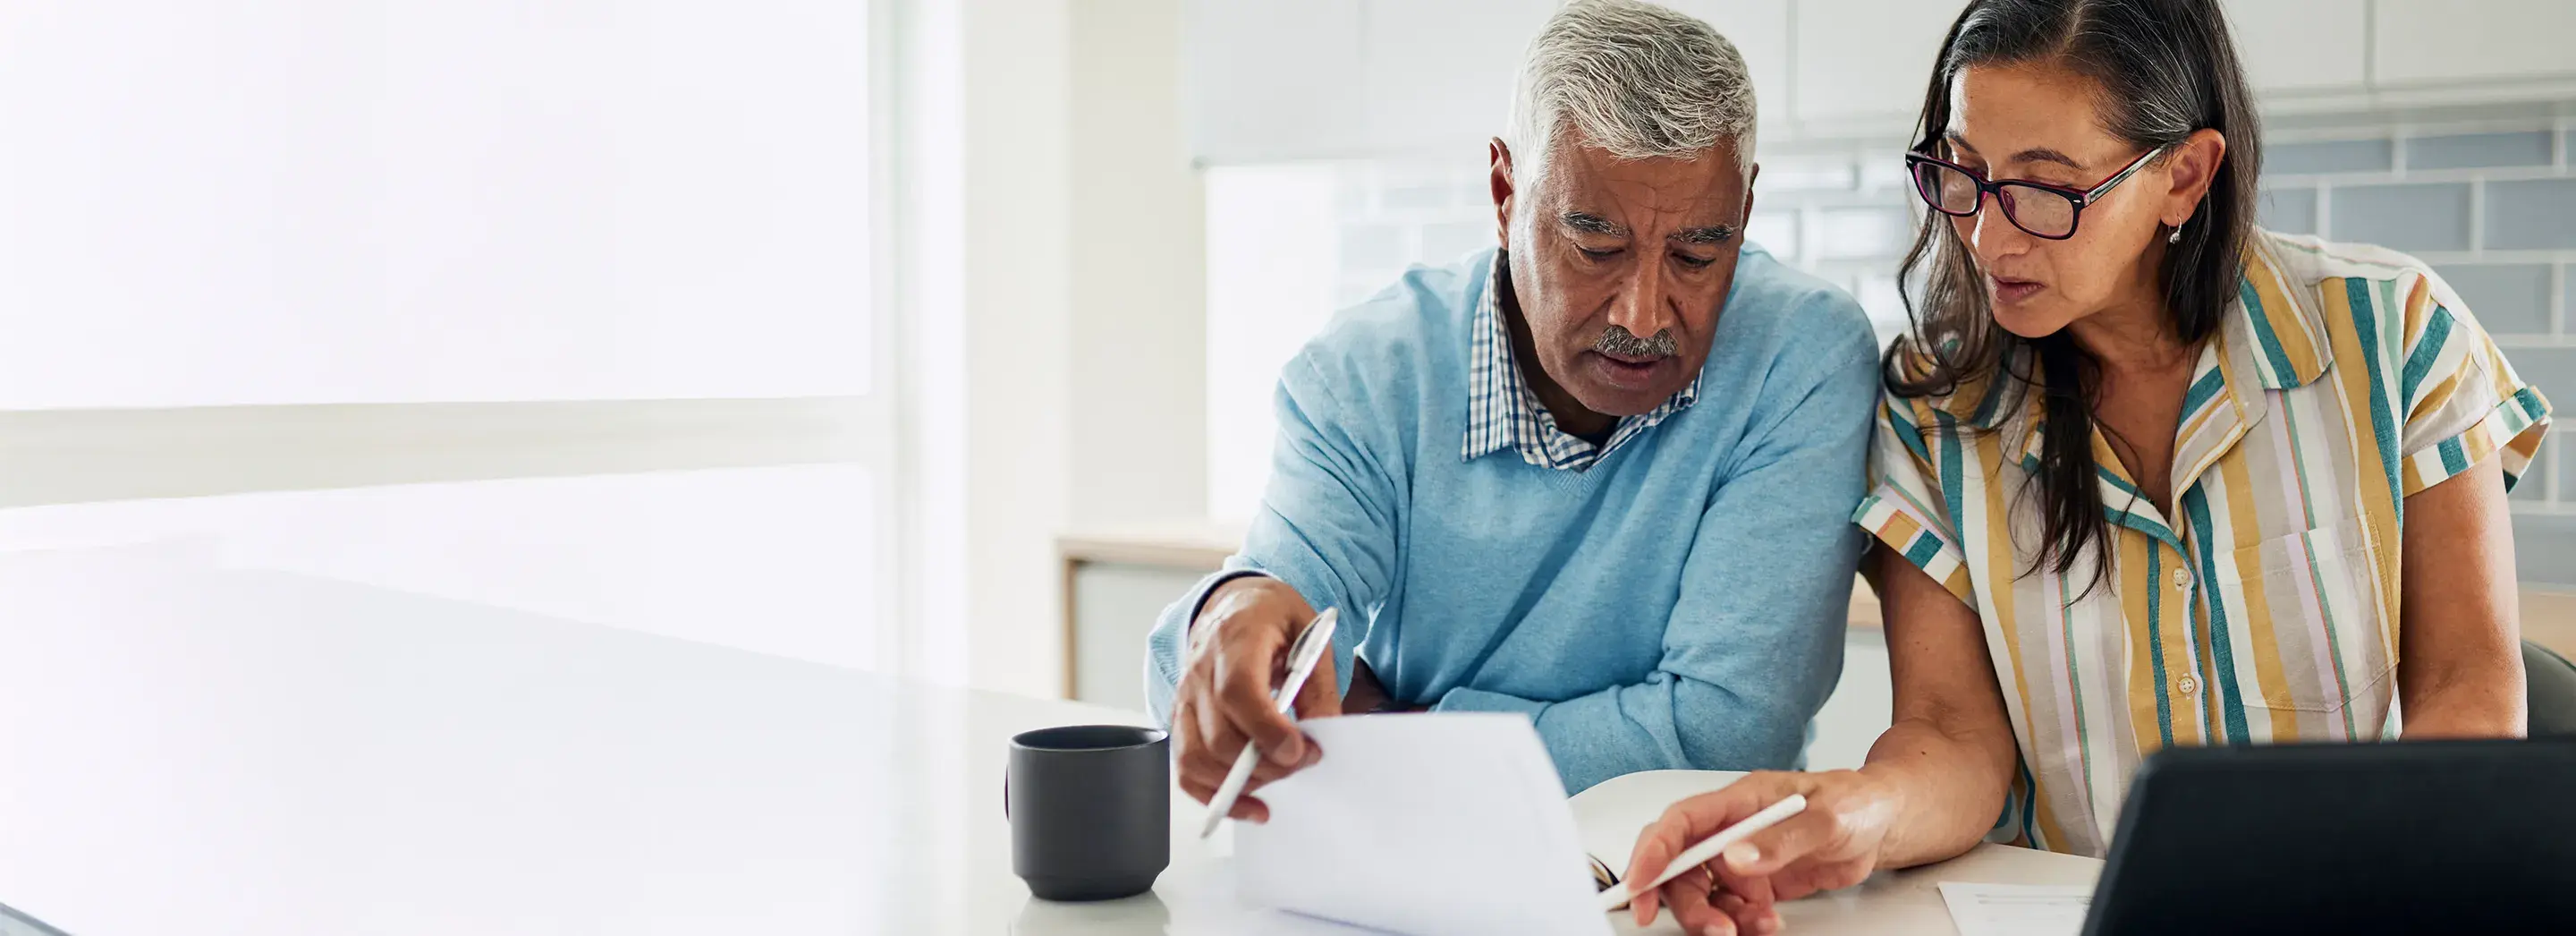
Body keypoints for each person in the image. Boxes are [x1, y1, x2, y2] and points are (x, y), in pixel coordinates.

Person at [1623, 0, 2552, 932]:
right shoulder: (1933, 405)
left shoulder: (2393, 335)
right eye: (1964, 173)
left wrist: (2400, 879)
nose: (1989, 236)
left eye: (2045, 189)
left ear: (2184, 178)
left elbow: (2467, 688)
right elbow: (1952, 737)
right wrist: (1845, 811)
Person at [1144, 0, 1881, 821]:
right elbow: (1264, 633)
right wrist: (1232, 612)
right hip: (1401, 860)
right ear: (1505, 193)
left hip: (1683, 874)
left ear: (1744, 211)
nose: (1643, 315)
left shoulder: (1800, 356)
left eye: (1697, 255)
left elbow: (1723, 738)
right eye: (1596, 247)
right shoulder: (1368, 375)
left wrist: (1394, 732)